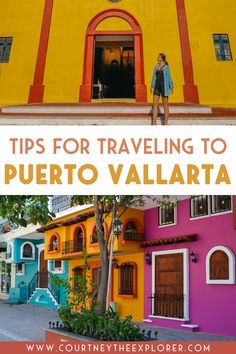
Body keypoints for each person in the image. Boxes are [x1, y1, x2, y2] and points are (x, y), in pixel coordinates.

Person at [150, 53, 174, 125]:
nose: (157, 58)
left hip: (164, 87)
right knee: (155, 105)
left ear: (162, 58)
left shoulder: (166, 67)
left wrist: (171, 86)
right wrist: (152, 85)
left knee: (165, 105)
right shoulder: (156, 66)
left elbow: (169, 77)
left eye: (159, 57)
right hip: (157, 87)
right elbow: (154, 76)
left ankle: (165, 123)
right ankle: (154, 122)